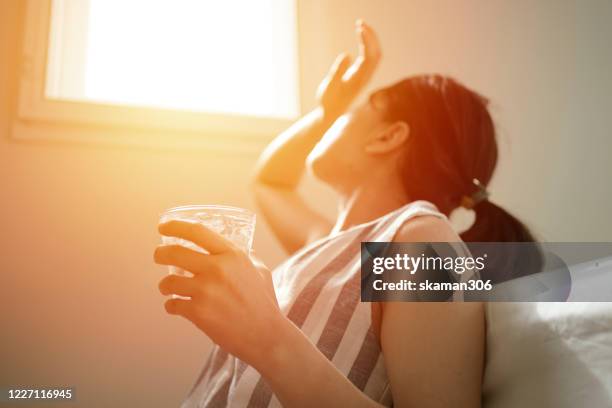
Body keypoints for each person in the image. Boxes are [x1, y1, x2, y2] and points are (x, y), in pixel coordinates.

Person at [154, 20, 538, 407]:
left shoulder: (419, 241)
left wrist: (266, 337)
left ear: (388, 137)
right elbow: (269, 182)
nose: (332, 123)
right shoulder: (327, 243)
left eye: (352, 111)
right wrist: (327, 111)